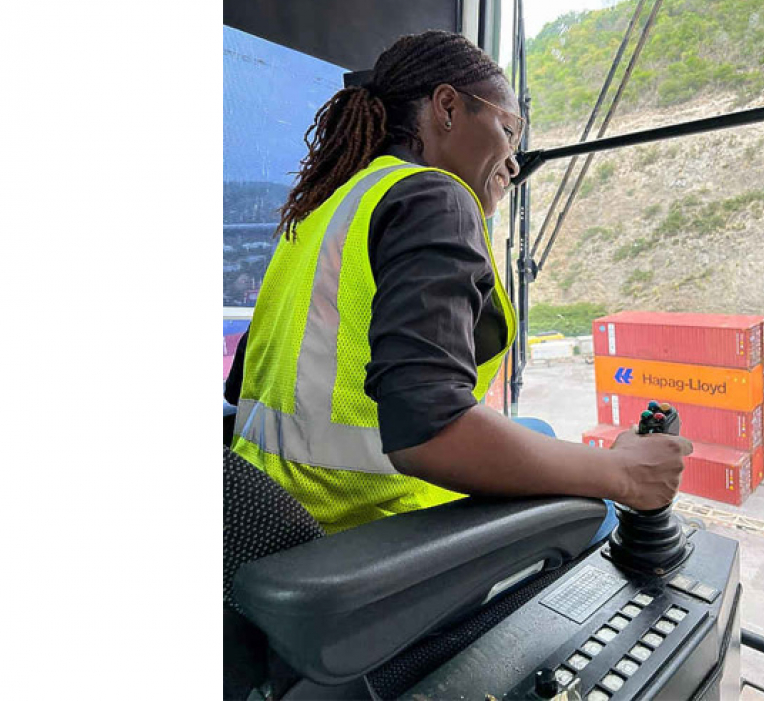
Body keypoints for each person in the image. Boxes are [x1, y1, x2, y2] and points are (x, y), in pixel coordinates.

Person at [230, 30, 691, 536]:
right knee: (598, 513)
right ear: (448, 107)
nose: (514, 163)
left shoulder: (323, 211)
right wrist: (625, 473)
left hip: (270, 514)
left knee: (538, 430)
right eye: (510, 131)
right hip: (362, 525)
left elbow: (244, 384)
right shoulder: (433, 196)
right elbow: (430, 434)